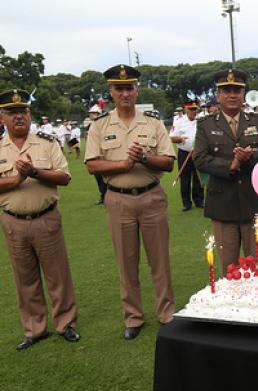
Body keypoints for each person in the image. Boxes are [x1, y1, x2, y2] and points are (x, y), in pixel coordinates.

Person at [0, 89, 80, 350]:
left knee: (58, 275)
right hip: (13, 221)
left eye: (22, 111)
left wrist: (34, 171)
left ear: (30, 114)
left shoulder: (47, 142)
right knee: (25, 278)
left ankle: (65, 324)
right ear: (2, 117)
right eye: (12, 113)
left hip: (46, 218)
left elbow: (65, 177)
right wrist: (17, 179)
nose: (18, 116)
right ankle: (35, 329)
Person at [85, 64, 176, 341]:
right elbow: (91, 165)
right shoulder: (100, 125)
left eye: (129, 87)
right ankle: (133, 317)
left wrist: (144, 158)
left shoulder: (153, 122)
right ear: (111, 92)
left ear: (136, 90)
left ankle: (166, 313)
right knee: (126, 261)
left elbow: (169, 162)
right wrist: (124, 164)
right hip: (119, 199)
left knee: (159, 259)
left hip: (151, 196)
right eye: (119, 88)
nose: (125, 93)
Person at [193, 68, 258, 271]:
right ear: (218, 95)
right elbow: (200, 159)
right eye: (226, 90)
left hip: (253, 202)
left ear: (243, 94)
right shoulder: (205, 124)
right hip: (223, 204)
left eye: (237, 90)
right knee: (228, 268)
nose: (232, 95)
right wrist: (230, 165)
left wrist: (250, 157)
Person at [170, 99, 204, 211]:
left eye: (195, 109)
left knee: (198, 178)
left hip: (198, 153)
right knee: (185, 178)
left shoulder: (201, 121)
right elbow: (171, 137)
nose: (193, 111)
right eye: (191, 109)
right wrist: (179, 139)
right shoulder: (179, 122)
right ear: (185, 109)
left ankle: (199, 201)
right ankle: (186, 203)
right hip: (184, 153)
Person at [85, 105, 108, 204]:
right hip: (94, 155)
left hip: (103, 155)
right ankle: (103, 196)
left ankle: (108, 196)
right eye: (91, 113)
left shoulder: (105, 125)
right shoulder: (91, 126)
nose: (92, 115)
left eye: (94, 113)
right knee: (98, 178)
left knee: (106, 178)